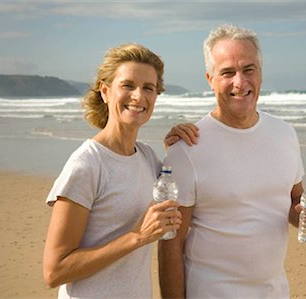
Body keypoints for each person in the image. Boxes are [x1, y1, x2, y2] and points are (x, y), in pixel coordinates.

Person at [159, 24, 306, 298]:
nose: (240, 82)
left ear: (260, 74)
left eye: (248, 69)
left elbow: (293, 203)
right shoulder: (187, 148)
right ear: (210, 79)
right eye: (227, 72)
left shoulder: (285, 134)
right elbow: (171, 242)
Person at [43, 43, 198, 298]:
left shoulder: (148, 157)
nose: (139, 96)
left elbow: (174, 187)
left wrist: (175, 148)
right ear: (105, 91)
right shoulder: (87, 164)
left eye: (149, 88)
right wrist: (137, 237)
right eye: (128, 85)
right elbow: (54, 271)